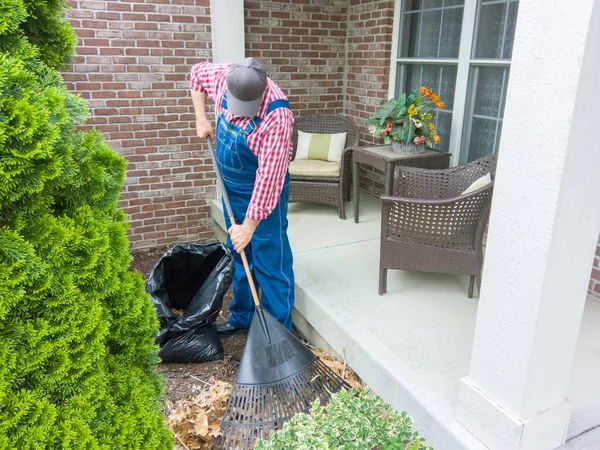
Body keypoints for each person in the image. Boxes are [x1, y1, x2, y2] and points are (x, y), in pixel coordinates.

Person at [189, 57, 295, 337]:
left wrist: (248, 227)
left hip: (263, 193)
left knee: (270, 260)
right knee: (240, 255)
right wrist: (201, 118)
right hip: (230, 188)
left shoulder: (277, 116)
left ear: (261, 94)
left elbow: (268, 180)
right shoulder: (223, 76)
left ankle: (277, 332)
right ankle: (243, 317)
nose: (240, 114)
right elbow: (196, 73)